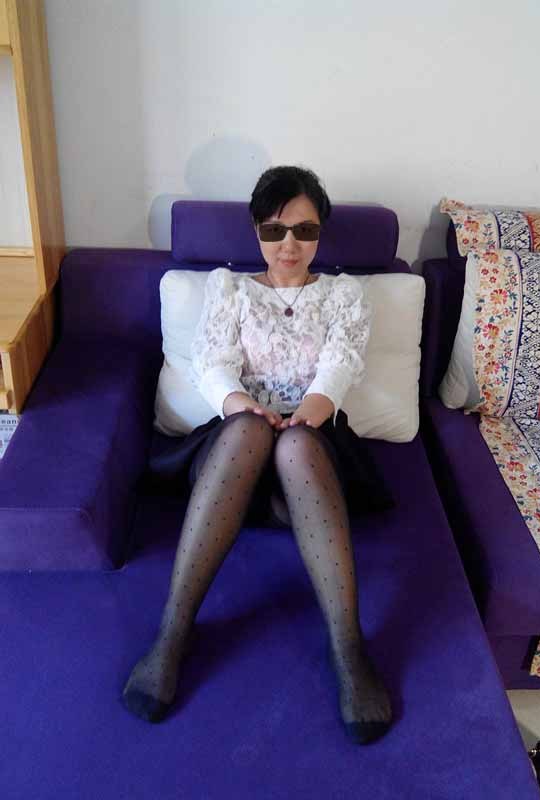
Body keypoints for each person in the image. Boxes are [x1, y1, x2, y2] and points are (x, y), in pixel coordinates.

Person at [122, 165, 394, 744]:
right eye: (274, 230)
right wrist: (242, 403)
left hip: (311, 454)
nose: (288, 244)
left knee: (295, 443)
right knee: (248, 429)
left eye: (303, 230)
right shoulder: (231, 290)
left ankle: (348, 649)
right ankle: (172, 635)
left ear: (320, 233)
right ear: (256, 232)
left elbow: (340, 365)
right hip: (234, 456)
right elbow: (212, 363)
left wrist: (308, 412)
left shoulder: (344, 295)